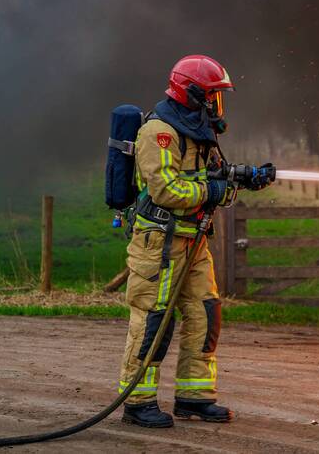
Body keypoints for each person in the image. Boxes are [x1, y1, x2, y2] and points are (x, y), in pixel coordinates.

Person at [117, 55, 272, 428]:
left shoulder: (200, 131)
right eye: (214, 96)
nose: (218, 105)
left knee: (205, 313)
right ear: (193, 94)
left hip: (194, 241)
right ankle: (137, 402)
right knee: (153, 320)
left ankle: (194, 396)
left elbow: (215, 180)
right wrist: (214, 189)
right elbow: (166, 189)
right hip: (160, 243)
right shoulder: (159, 132)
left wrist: (243, 178)